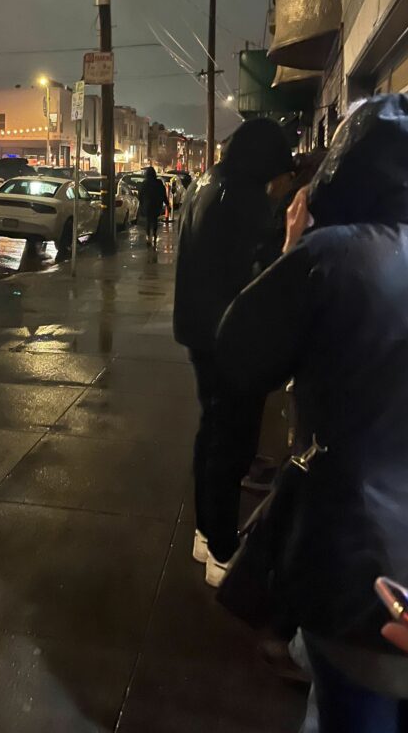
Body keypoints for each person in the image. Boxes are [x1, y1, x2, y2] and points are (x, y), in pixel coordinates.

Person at [216, 95, 408, 731]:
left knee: (350, 710)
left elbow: (240, 355)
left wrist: (295, 247)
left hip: (358, 563)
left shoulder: (338, 255)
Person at [173, 117, 293, 585]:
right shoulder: (243, 199)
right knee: (232, 443)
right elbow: (264, 278)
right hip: (229, 338)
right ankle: (222, 549)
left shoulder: (208, 185)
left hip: (202, 333)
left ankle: (207, 532)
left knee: (214, 433)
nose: (281, 181)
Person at [138, 166, 169, 248]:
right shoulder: (158, 183)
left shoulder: (144, 183)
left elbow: (140, 194)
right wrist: (167, 204)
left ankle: (148, 236)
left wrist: (142, 203)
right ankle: (154, 235)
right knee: (154, 220)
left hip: (147, 205)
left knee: (148, 220)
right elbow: (163, 194)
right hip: (156, 204)